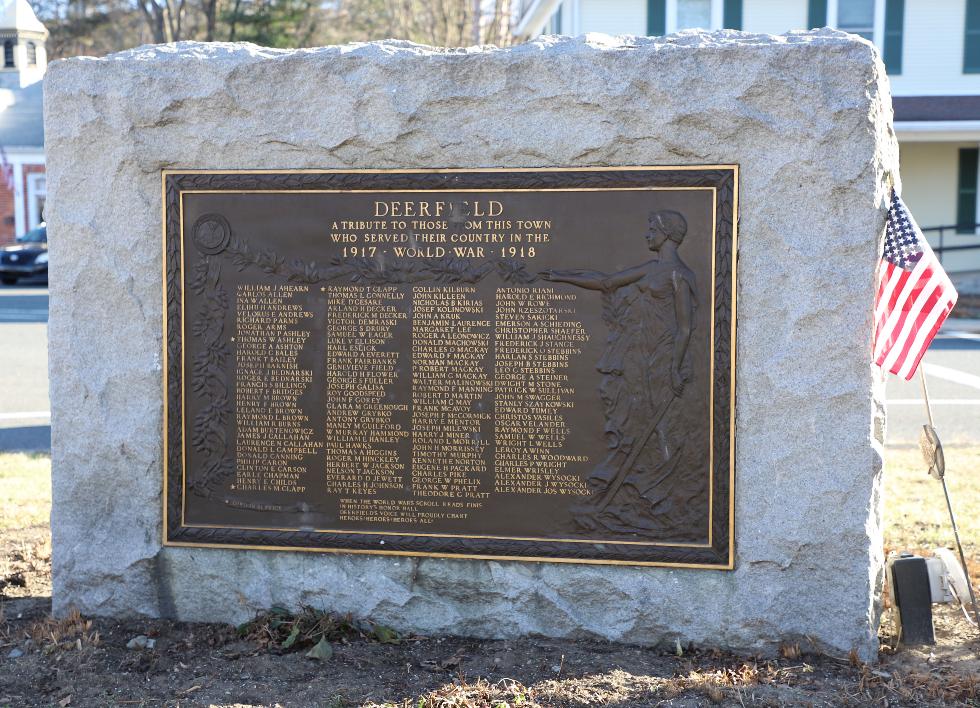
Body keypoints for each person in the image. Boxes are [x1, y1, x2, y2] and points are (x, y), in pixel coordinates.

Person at [539, 209, 700, 537]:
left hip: (660, 363)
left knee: (656, 430)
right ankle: (622, 493)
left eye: (651, 229)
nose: (646, 235)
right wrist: (558, 275)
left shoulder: (679, 276)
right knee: (631, 423)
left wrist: (675, 368)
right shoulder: (651, 268)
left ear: (667, 233)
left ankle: (657, 499)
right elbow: (605, 282)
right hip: (637, 361)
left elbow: (685, 328)